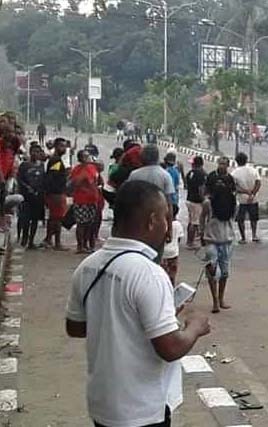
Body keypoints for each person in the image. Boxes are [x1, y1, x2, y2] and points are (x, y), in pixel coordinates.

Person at [65, 180, 211, 427]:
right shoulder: (149, 273)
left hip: (103, 403)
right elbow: (170, 349)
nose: (167, 231)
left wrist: (129, 319)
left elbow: (75, 328)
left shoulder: (88, 266)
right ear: (152, 220)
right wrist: (195, 326)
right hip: (142, 410)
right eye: (166, 219)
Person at [202, 156, 237, 313]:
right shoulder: (208, 203)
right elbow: (202, 218)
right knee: (211, 269)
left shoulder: (232, 202)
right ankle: (215, 300)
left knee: (224, 272)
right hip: (211, 238)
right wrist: (201, 234)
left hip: (226, 239)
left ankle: (221, 298)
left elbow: (233, 218)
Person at [127, 144, 176, 219]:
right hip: (158, 217)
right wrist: (169, 227)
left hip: (139, 217)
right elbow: (169, 204)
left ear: (142, 157)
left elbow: (129, 201)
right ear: (157, 157)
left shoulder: (134, 175)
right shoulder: (165, 175)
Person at [70, 150, 101, 254]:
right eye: (86, 156)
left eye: (88, 156)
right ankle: (80, 246)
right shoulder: (77, 169)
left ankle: (87, 244)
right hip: (81, 200)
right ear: (81, 158)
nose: (89, 158)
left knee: (90, 223)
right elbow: (75, 183)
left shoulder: (92, 168)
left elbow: (98, 180)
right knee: (81, 223)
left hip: (93, 198)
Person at [17, 144, 45, 249]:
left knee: (35, 219)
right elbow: (19, 179)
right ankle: (24, 237)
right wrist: (27, 188)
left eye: (38, 152)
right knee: (25, 218)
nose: (36, 154)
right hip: (26, 196)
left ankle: (31, 241)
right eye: (34, 151)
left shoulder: (41, 165)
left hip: (38, 196)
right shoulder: (24, 165)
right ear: (30, 152)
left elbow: (43, 180)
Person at [43, 137, 69, 251]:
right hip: (56, 194)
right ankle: (57, 243)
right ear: (56, 147)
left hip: (55, 193)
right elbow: (52, 177)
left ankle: (48, 239)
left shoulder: (56, 160)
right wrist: (54, 192)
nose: (64, 148)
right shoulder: (56, 161)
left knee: (53, 218)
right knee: (57, 219)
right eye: (61, 146)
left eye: (64, 146)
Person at [232, 152, 261, 244]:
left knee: (241, 219)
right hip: (253, 198)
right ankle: (254, 235)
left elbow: (234, 187)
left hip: (241, 200)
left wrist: (245, 192)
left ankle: (243, 237)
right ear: (246, 160)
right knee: (254, 218)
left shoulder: (234, 173)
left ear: (236, 161)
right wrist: (252, 194)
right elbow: (258, 183)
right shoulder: (253, 170)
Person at [185, 156, 206, 249]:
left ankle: (191, 240)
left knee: (191, 221)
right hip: (196, 201)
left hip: (189, 199)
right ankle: (190, 242)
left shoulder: (190, 173)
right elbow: (201, 188)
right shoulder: (201, 174)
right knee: (195, 222)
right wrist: (203, 199)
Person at [161, 205, 184, 285]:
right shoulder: (178, 224)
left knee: (163, 274)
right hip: (173, 253)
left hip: (163, 253)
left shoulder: (163, 224)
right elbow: (179, 239)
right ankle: (172, 288)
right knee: (172, 274)